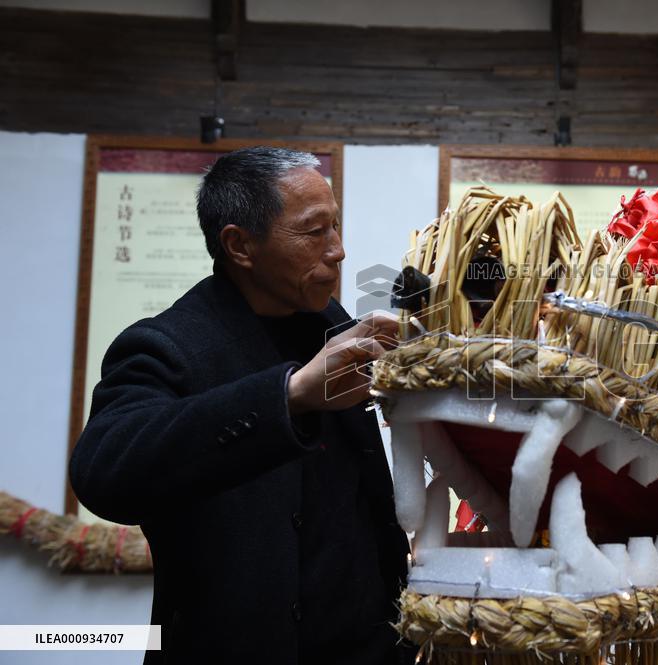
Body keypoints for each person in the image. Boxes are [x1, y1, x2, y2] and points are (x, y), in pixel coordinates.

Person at [69, 147, 412, 665]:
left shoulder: (334, 327)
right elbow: (105, 472)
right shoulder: (167, 344)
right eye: (315, 231)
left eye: (336, 226)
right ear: (240, 245)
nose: (338, 250)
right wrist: (289, 395)